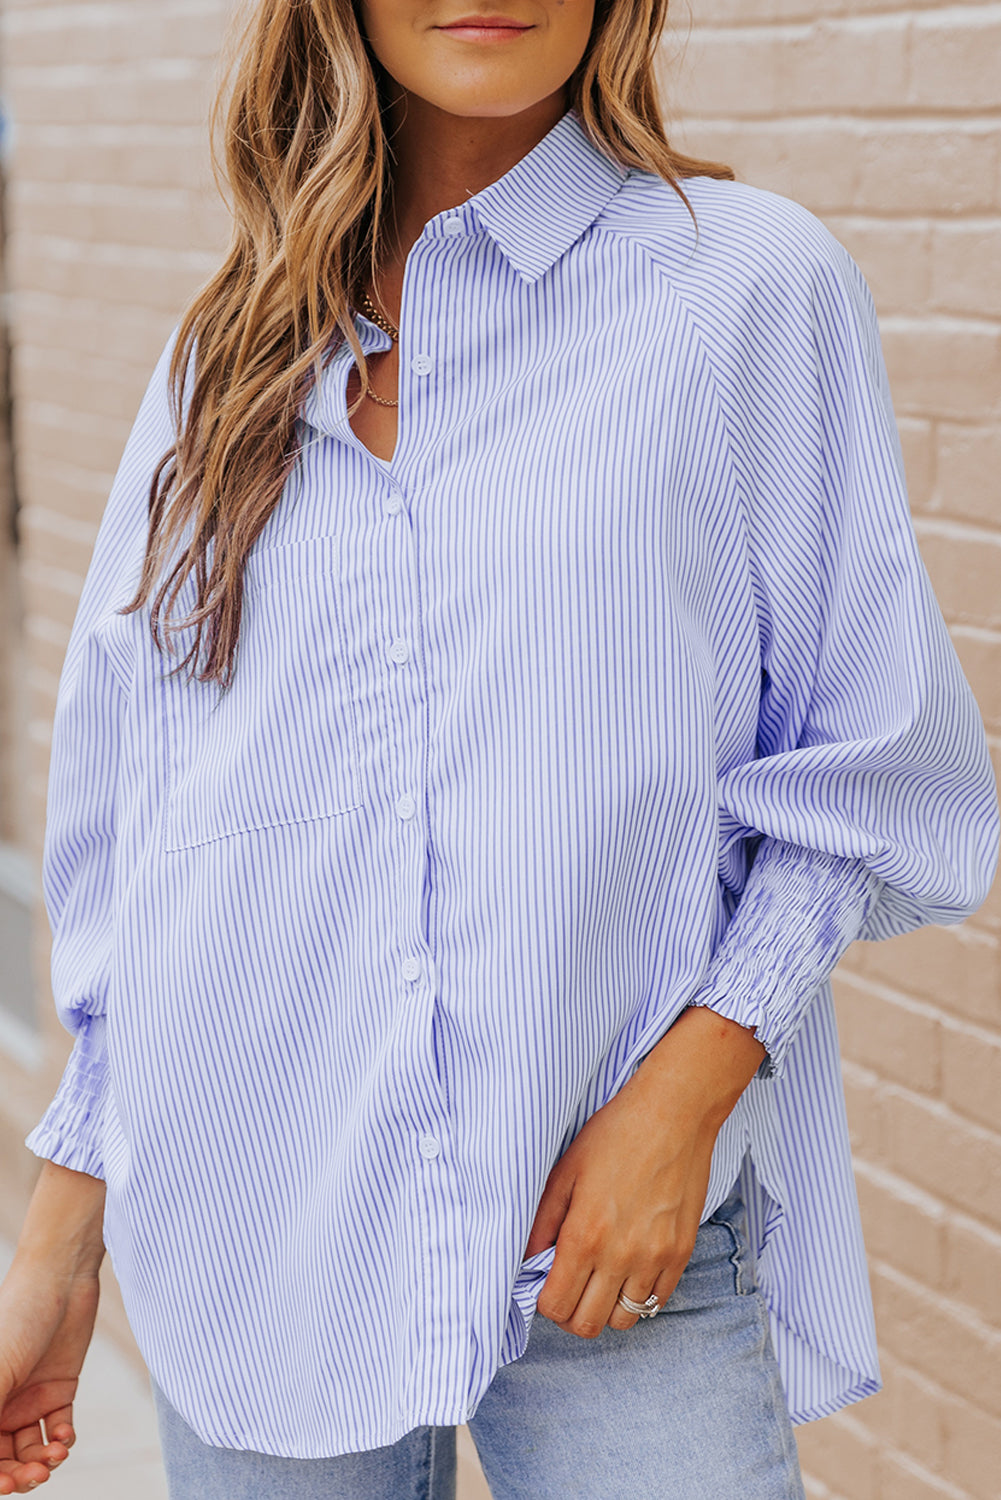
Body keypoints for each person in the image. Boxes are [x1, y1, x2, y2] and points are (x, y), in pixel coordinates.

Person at [0, 0, 998, 1494]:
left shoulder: (743, 286)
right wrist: (59, 1242)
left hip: (612, 1240)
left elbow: (863, 759)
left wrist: (688, 1091)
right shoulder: (230, 354)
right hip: (252, 1226)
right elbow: (149, 831)